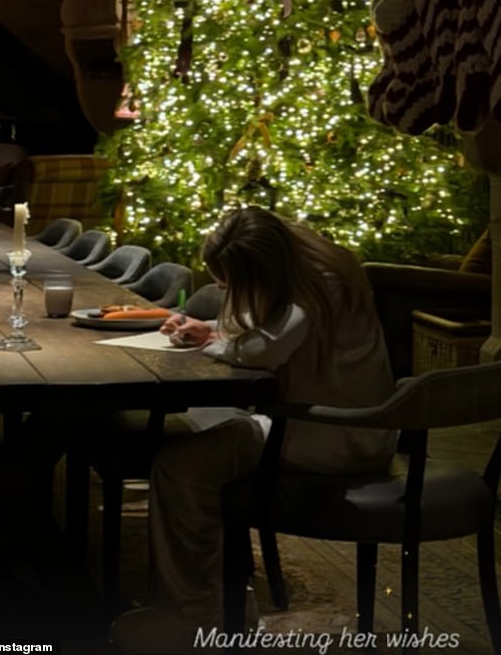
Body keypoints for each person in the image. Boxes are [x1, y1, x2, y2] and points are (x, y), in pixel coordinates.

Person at [110, 205, 397, 654]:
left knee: (181, 464)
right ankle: (222, 602)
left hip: (330, 434)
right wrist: (209, 331)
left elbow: (263, 351)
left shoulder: (318, 284)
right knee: (202, 432)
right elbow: (271, 334)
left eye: (231, 285)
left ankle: (191, 617)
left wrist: (213, 341)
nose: (228, 292)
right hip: (347, 428)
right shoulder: (310, 266)